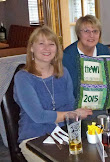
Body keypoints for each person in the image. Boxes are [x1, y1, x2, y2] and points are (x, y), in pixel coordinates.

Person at [13, 26, 92, 161]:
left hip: (63, 133)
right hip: (34, 138)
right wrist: (75, 114)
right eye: (41, 43)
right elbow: (39, 116)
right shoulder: (23, 78)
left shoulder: (63, 73)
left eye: (51, 44)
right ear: (32, 48)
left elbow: (71, 104)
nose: (47, 48)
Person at [63, 15, 110, 99]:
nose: (91, 35)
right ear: (78, 33)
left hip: (102, 101)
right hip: (77, 104)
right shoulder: (67, 56)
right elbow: (72, 89)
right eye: (86, 31)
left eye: (95, 31)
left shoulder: (105, 51)